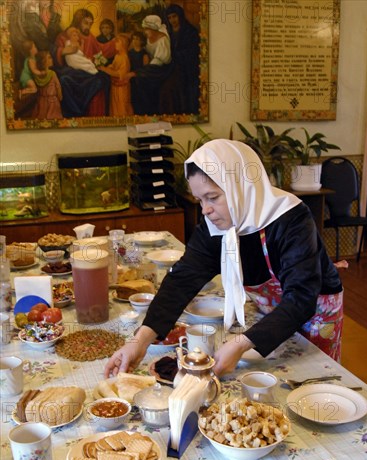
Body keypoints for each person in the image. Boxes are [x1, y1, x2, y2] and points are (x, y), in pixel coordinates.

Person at [105, 139, 344, 379]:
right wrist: (140, 340)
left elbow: (301, 299)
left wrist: (240, 344)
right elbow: (181, 281)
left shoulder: (291, 219)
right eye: (200, 200)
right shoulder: (216, 224)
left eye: (213, 197)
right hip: (271, 318)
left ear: (240, 186)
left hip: (314, 316)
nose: (205, 210)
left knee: (309, 383)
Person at [54, 8, 116, 117]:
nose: (88, 27)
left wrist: (114, 43)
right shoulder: (64, 36)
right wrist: (63, 51)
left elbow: (101, 50)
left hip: (86, 71)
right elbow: (57, 55)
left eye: (90, 24)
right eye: (85, 23)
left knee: (103, 79)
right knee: (65, 80)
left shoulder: (90, 37)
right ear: (78, 21)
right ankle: (76, 112)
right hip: (71, 72)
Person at [125, 14, 172, 115]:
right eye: (145, 29)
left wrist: (136, 72)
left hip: (161, 70)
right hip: (149, 67)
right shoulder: (148, 38)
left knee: (141, 79)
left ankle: (148, 111)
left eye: (147, 29)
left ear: (154, 29)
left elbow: (157, 63)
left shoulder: (163, 40)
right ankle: (139, 110)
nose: (145, 32)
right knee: (136, 80)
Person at [164, 3, 200, 114]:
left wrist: (177, 55)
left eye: (174, 16)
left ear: (180, 15)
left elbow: (193, 52)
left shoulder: (190, 31)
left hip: (188, 69)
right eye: (169, 17)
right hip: (172, 67)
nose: (172, 20)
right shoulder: (168, 33)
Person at [98, 34, 133, 117]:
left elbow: (119, 74)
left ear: (123, 44)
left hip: (121, 87)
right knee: (114, 106)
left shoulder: (124, 58)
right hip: (114, 86)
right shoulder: (117, 56)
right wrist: (108, 66)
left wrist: (105, 69)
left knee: (121, 106)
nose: (115, 44)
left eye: (118, 42)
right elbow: (114, 66)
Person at [32, 50, 63, 119]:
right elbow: (58, 86)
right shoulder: (52, 73)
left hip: (41, 101)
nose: (52, 59)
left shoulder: (36, 75)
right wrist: (60, 97)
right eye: (49, 57)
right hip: (52, 102)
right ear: (43, 61)